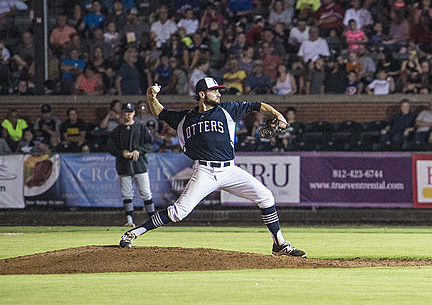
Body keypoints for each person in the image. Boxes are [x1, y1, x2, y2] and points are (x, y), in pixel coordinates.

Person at [119, 78, 306, 257]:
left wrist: (278, 115)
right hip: (205, 171)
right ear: (202, 94)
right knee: (178, 212)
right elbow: (160, 113)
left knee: (266, 197)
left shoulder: (228, 110)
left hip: (230, 170)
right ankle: (134, 233)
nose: (218, 94)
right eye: (214, 91)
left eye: (218, 91)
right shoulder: (186, 118)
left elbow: (257, 105)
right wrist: (151, 97)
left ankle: (279, 244)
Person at [108, 102, 155, 227]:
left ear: (134, 113)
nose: (128, 115)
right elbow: (111, 147)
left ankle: (153, 218)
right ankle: (129, 219)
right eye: (125, 113)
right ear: (122, 114)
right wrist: (121, 153)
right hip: (124, 165)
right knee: (127, 193)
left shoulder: (141, 127)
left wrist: (138, 150)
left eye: (130, 112)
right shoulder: (117, 130)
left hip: (139, 165)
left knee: (146, 192)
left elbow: (150, 144)